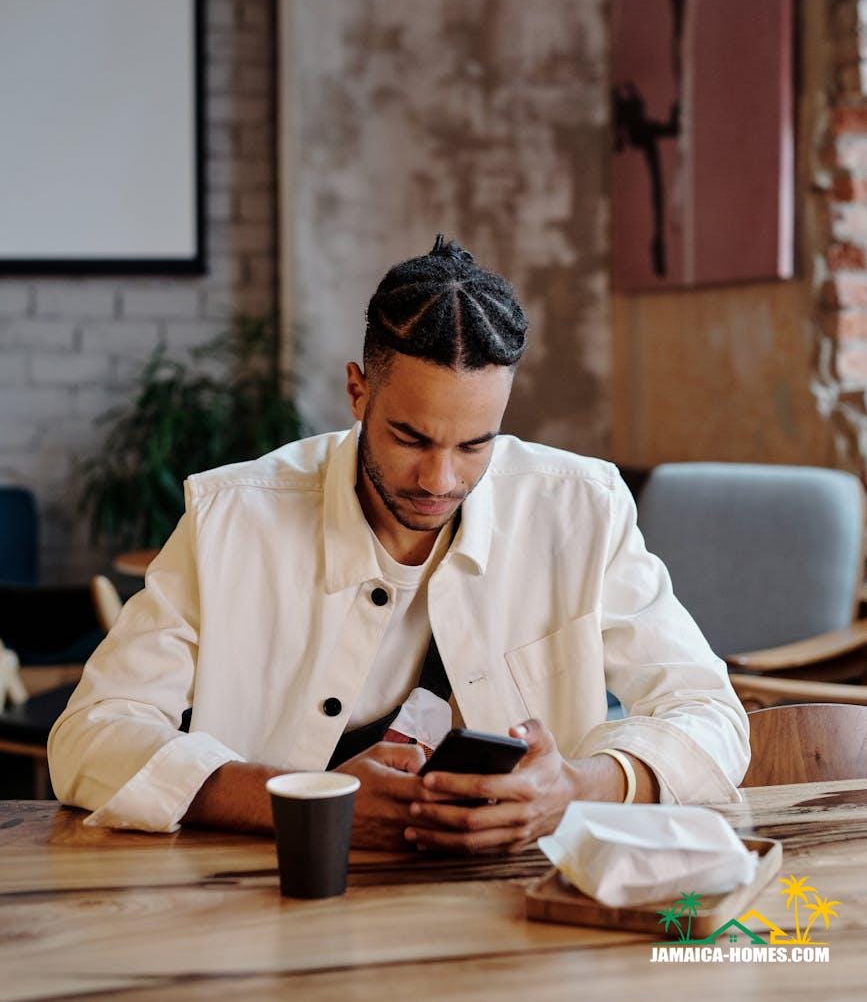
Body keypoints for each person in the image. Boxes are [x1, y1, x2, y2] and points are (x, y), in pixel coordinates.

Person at [48, 237, 749, 850]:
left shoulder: (578, 508)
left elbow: (711, 714)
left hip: (517, 912)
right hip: (274, 898)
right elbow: (91, 735)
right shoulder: (231, 518)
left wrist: (579, 785)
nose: (440, 480)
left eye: (475, 444)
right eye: (410, 438)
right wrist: (299, 798)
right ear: (358, 394)